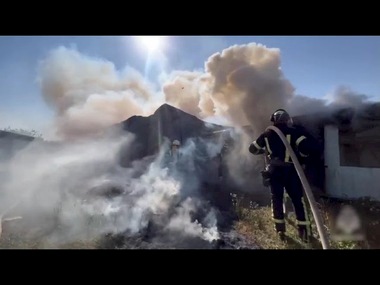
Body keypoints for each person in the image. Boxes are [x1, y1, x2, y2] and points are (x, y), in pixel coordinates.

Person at [248, 109, 319, 243]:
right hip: (292, 171)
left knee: (277, 199)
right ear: (287, 119)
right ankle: (304, 233)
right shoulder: (295, 132)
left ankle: (280, 230)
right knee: (298, 200)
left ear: (273, 120)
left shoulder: (267, 134)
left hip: (274, 171)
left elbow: (252, 149)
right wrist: (302, 158)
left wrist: (266, 151)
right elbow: (305, 149)